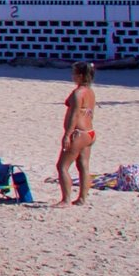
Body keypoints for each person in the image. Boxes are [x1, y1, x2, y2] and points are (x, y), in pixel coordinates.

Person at [55, 60, 98, 206]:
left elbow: (73, 114)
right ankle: (82, 198)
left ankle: (66, 199)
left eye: (74, 74)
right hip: (90, 133)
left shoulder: (78, 93)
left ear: (80, 76)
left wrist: (67, 134)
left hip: (78, 133)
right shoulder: (90, 92)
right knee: (83, 166)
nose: (72, 76)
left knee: (62, 166)